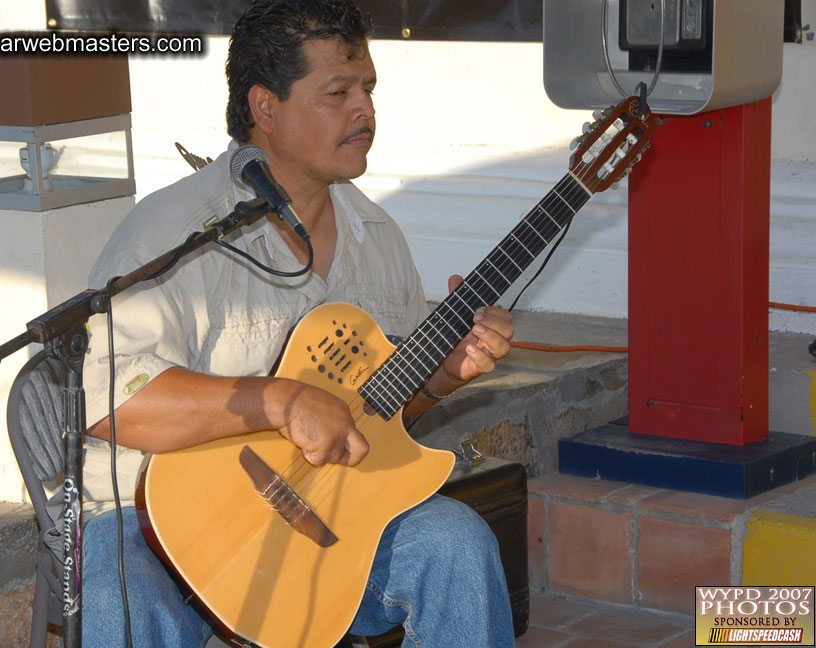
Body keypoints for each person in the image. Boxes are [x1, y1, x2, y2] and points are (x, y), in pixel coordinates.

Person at [78, 0, 516, 646]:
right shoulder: (177, 234)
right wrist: (278, 401)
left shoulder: (377, 236)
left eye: (367, 89)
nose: (365, 110)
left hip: (326, 512)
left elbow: (378, 416)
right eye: (338, 92)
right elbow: (108, 401)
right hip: (155, 517)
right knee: (119, 593)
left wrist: (445, 375)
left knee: (457, 544)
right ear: (266, 109)